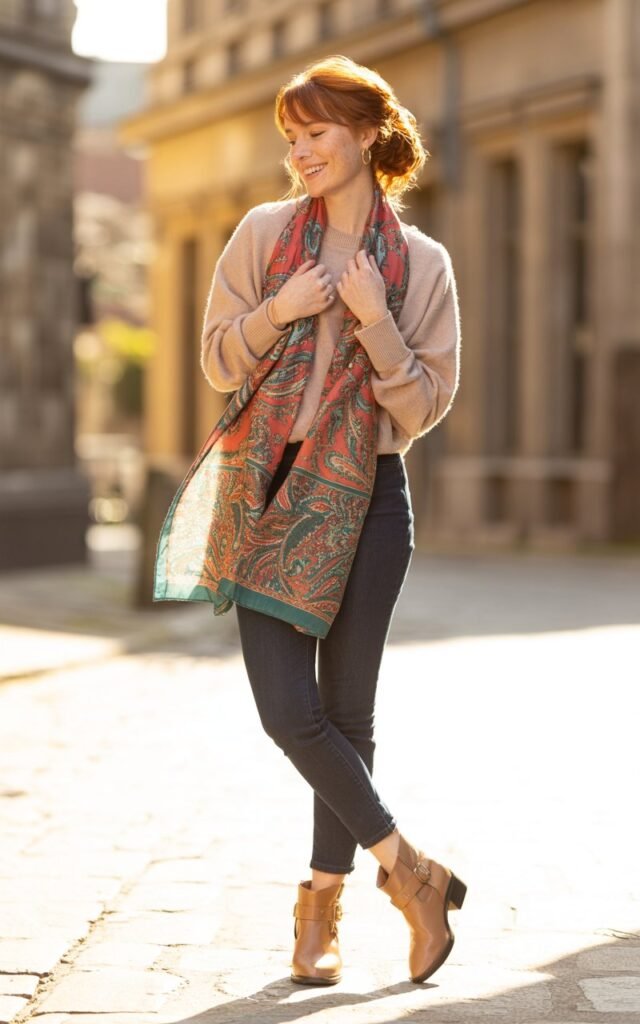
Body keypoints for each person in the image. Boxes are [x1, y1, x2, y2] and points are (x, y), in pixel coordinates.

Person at [154, 54, 464, 986]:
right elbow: (218, 360)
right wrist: (278, 310)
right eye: (292, 137)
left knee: (346, 712)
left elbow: (423, 407)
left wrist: (375, 319)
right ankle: (410, 872)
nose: (301, 152)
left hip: (369, 499)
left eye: (317, 133)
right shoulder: (262, 235)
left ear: (368, 135)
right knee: (289, 712)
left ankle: (322, 909)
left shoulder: (421, 265)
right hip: (264, 495)